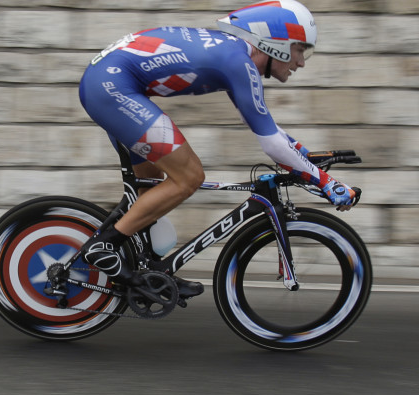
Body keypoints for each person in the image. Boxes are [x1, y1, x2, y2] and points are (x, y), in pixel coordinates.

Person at [78, 0, 358, 292]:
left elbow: (268, 128)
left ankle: (150, 271)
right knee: (189, 177)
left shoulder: (233, 54)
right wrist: (328, 184)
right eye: (300, 50)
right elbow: (272, 144)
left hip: (108, 85)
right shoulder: (237, 62)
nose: (301, 62)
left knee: (152, 186)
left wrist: (306, 159)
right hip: (112, 89)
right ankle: (103, 248)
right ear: (277, 43)